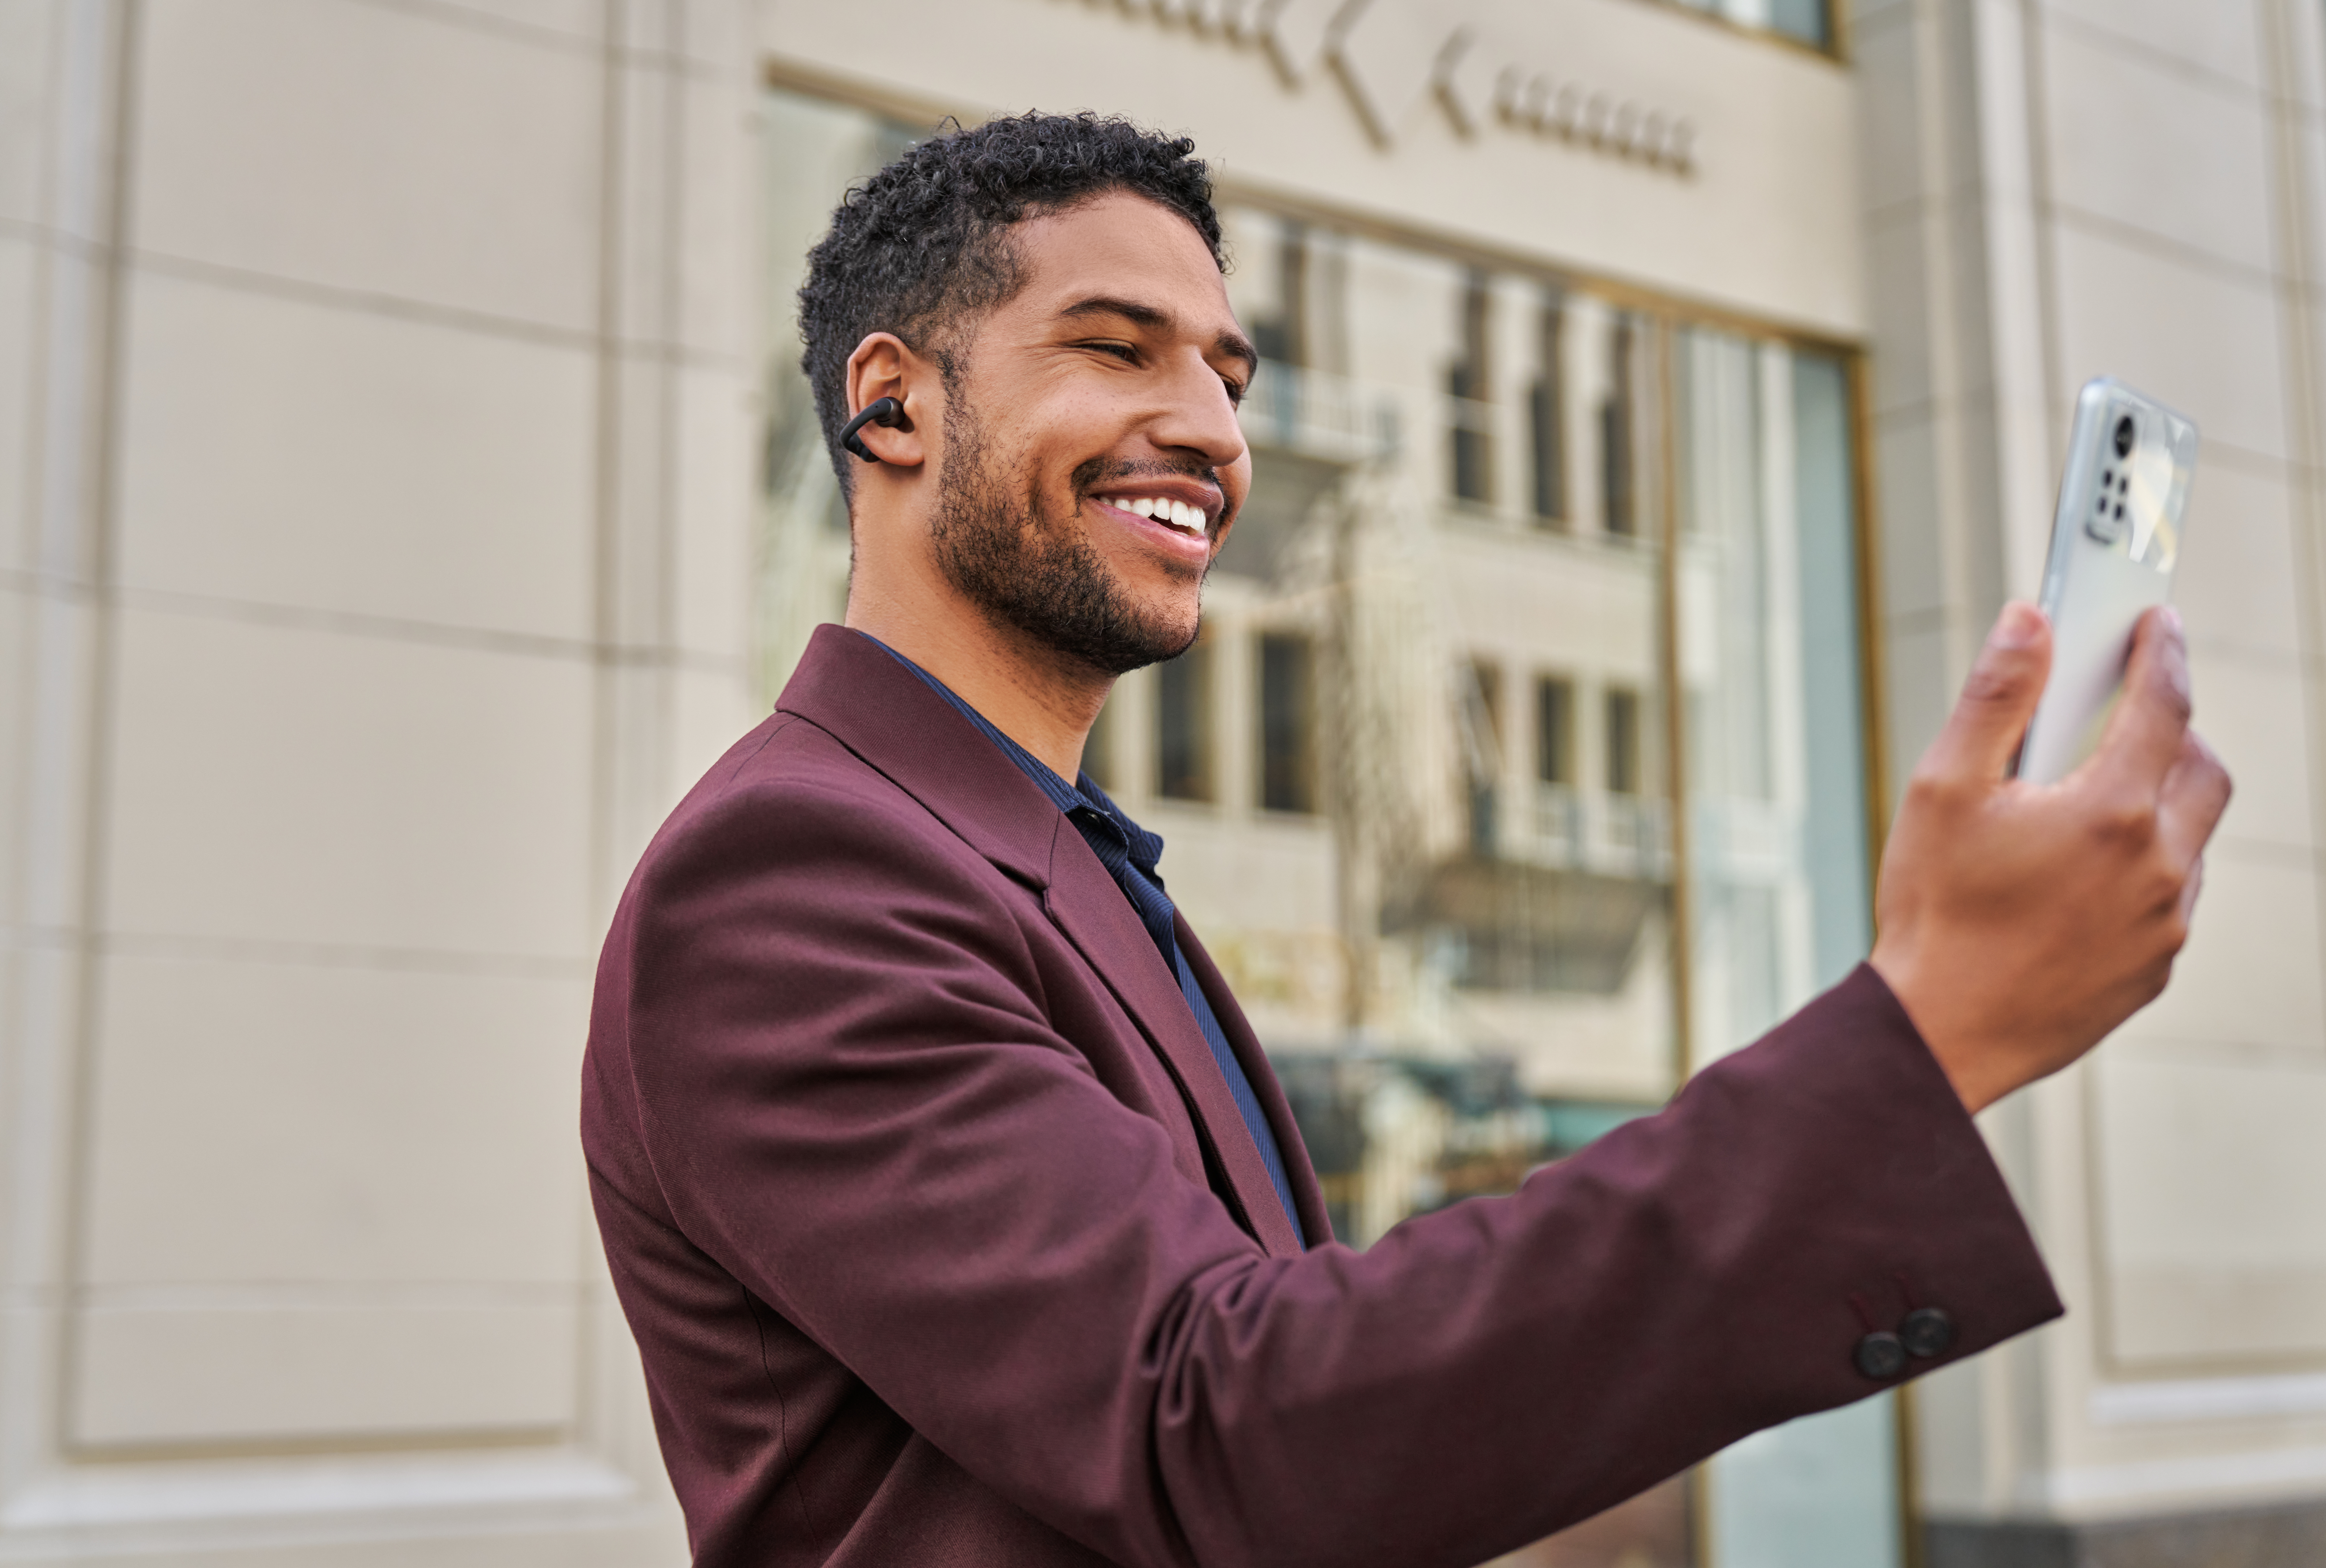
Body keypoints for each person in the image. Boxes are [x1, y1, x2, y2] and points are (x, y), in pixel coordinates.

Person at [582, 113, 2231, 1568]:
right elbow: (1218, 1429)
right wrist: (1922, 1036)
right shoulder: (789, 880)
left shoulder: (1062, 864)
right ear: (892, 406)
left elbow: (1299, 1382)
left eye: (1229, 377)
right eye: (1117, 348)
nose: (1213, 430)